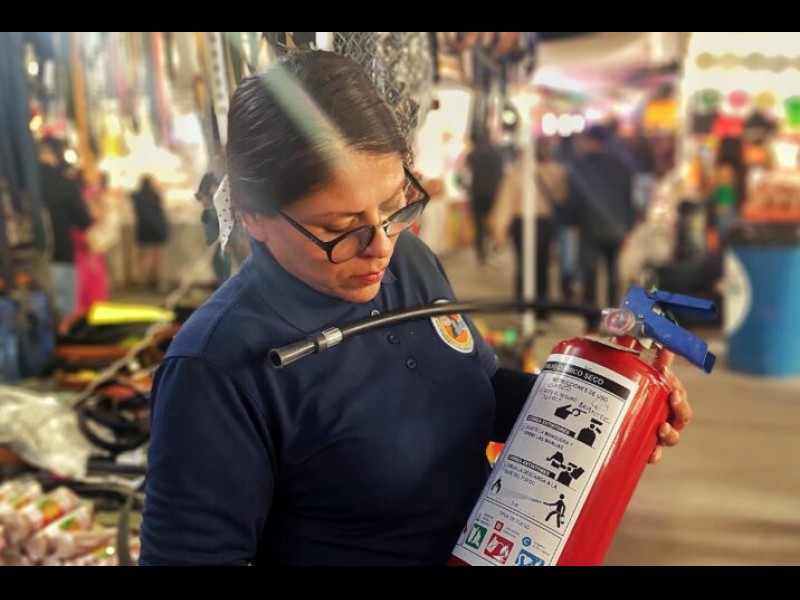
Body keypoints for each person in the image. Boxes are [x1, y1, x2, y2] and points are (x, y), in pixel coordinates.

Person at [139, 50, 692, 566]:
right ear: (254, 215)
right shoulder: (215, 369)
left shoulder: (410, 261)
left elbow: (474, 388)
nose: (379, 245)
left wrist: (605, 402)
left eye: (393, 206)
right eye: (339, 228)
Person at [489, 137, 566, 310]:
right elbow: (561, 197)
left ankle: (523, 305)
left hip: (522, 223)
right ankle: (542, 308)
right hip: (545, 223)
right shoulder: (556, 171)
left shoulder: (517, 173)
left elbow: (506, 202)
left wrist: (499, 229)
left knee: (524, 264)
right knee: (543, 266)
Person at [565, 125, 636, 308]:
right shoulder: (621, 165)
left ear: (591, 141)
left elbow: (574, 197)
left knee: (589, 271)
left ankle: (590, 313)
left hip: (589, 225)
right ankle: (612, 310)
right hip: (616, 225)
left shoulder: (580, 165)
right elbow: (629, 198)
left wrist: (573, 221)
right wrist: (629, 225)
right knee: (613, 271)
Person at [37, 136, 92, 328]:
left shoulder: (20, 184)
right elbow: (83, 221)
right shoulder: (63, 183)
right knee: (65, 322)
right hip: (61, 255)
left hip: (29, 264)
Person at [130, 174, 169, 290]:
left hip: (142, 227)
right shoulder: (155, 195)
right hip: (155, 228)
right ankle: (157, 278)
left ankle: (140, 277)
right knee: (156, 254)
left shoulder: (135, 196)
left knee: (141, 254)